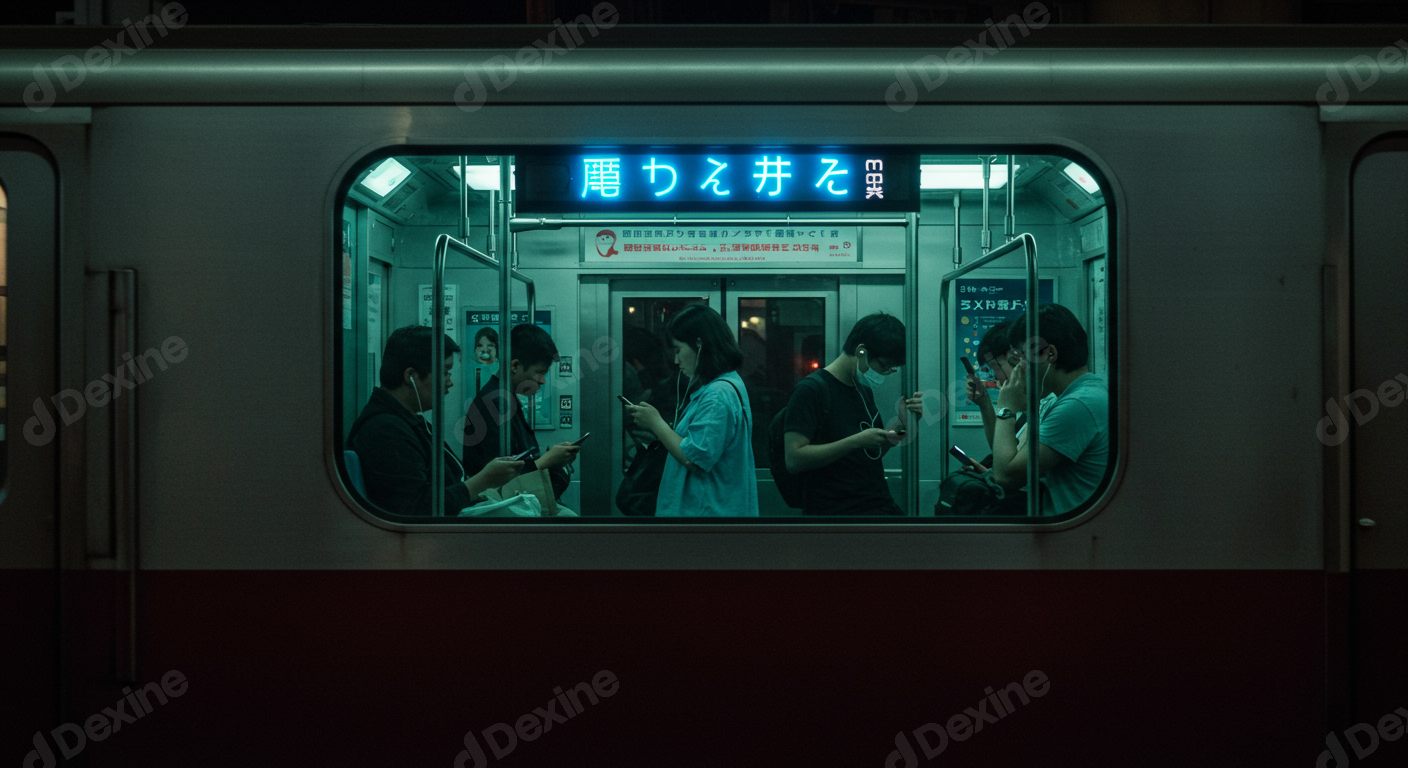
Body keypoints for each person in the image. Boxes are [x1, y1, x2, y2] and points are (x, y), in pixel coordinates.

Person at [348, 326, 522, 516]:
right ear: (411, 376)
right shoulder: (385, 431)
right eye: (445, 372)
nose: (450, 381)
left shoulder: (410, 422)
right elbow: (418, 508)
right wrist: (482, 481)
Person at [782, 313, 924, 516]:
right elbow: (794, 459)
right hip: (836, 513)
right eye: (883, 365)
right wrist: (855, 441)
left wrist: (903, 425)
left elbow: (871, 455)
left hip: (875, 505)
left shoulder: (862, 390)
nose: (884, 373)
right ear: (861, 351)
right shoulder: (811, 391)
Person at [626, 305, 759, 517]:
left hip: (705, 515)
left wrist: (656, 424)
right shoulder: (725, 385)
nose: (676, 361)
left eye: (679, 350)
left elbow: (696, 458)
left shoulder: (718, 394)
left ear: (699, 345)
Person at [990, 303, 1109, 515]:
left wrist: (1005, 408)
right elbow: (1018, 455)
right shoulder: (1073, 396)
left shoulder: (1078, 405)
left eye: (1023, 358)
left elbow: (1007, 475)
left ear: (1049, 354)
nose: (1020, 368)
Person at [462, 323, 580, 501]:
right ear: (515, 365)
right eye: (539, 372)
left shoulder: (504, 399)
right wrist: (547, 461)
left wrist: (552, 459)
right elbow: (499, 478)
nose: (543, 381)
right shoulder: (493, 404)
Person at [962, 319, 1054, 470]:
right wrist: (984, 403)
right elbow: (1001, 450)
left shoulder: (1046, 404)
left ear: (1017, 361)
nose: (994, 377)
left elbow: (1010, 474)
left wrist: (1006, 406)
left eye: (995, 368)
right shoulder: (1025, 402)